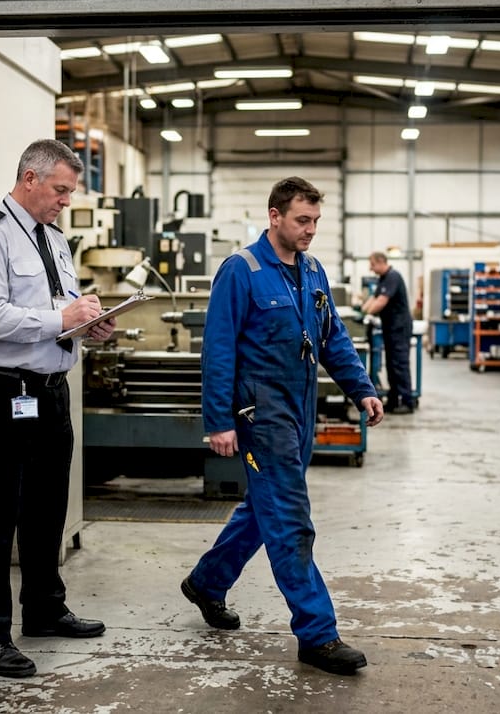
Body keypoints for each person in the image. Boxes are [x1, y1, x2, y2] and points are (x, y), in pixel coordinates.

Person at [181, 176, 385, 676]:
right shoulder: (242, 270)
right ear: (274, 217)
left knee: (264, 507)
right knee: (291, 518)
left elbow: (332, 337)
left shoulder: (312, 270)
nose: (310, 230)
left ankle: (208, 582)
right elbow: (219, 350)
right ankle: (317, 632)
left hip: (301, 406)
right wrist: (218, 422)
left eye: (315, 221)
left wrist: (362, 388)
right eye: (301, 220)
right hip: (260, 412)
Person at [0, 139, 117, 678]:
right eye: (60, 190)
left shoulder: (55, 239)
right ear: (30, 178)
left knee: (47, 506)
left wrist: (90, 326)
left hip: (50, 388)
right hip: (4, 391)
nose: (66, 201)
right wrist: (62, 317)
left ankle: (44, 609)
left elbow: (56, 313)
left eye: (69, 191)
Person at [360, 252, 416, 413]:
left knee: (400, 364)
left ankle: (407, 402)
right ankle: (393, 400)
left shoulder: (393, 276)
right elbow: (373, 298)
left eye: (372, 264)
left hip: (399, 328)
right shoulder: (383, 279)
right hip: (390, 328)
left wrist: (368, 314)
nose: (371, 268)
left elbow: (380, 302)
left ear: (380, 262)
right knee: (391, 365)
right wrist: (362, 310)